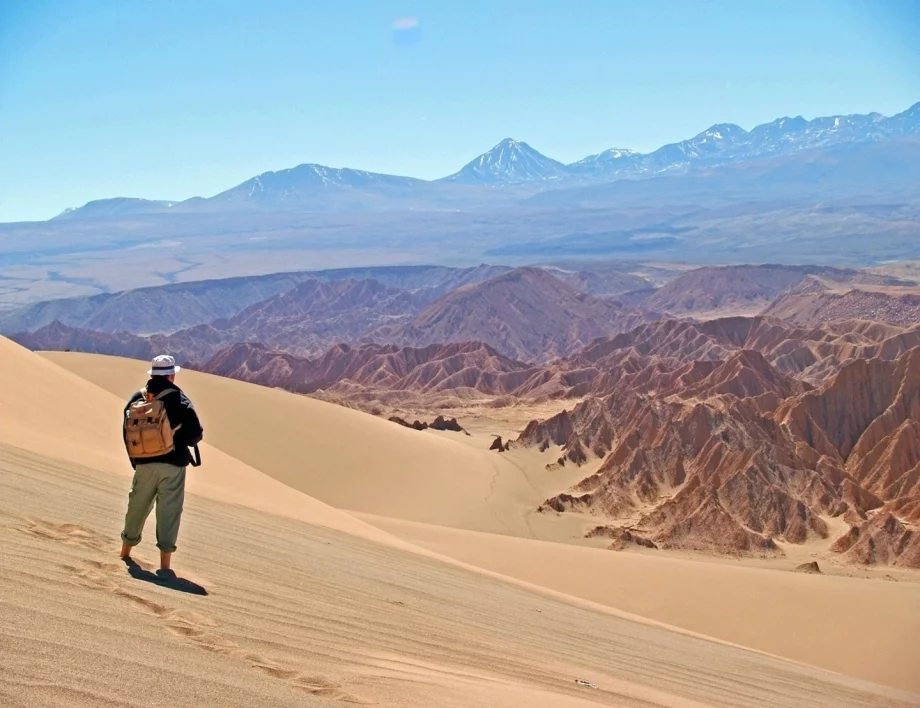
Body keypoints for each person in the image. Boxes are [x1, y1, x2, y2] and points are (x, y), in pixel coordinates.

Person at [120, 354, 203, 573]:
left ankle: (125, 552)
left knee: (137, 506)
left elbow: (127, 431)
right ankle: (165, 565)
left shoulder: (138, 397)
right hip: (173, 466)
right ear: (171, 376)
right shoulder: (179, 399)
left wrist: (136, 460)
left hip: (143, 464)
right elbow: (195, 434)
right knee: (169, 512)